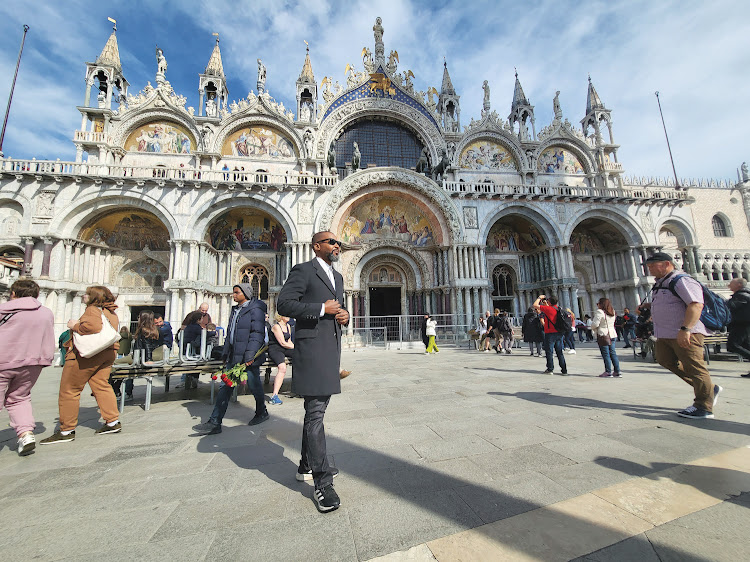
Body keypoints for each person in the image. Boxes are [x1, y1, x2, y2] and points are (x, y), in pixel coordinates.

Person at [277, 231, 349, 513]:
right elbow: (284, 304)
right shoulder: (303, 270)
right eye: (332, 242)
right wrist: (321, 308)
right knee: (316, 411)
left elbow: (337, 310)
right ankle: (322, 483)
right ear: (317, 246)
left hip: (330, 350)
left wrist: (344, 316)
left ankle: (307, 464)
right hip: (311, 350)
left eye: (339, 243)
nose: (337, 246)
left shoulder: (339, 278)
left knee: (316, 410)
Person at [41, 286, 122, 444]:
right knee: (101, 385)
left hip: (88, 354)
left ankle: (66, 430)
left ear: (94, 297)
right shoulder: (111, 312)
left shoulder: (93, 310)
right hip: (108, 353)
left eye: (87, 294)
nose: (84, 296)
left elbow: (92, 327)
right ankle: (112, 422)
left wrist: (74, 325)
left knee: (69, 390)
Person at [646, 252, 720, 419]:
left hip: (685, 333)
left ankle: (704, 407)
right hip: (665, 333)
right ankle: (709, 389)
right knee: (664, 360)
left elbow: (695, 304)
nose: (649, 269)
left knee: (695, 367)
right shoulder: (661, 283)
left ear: (666, 264)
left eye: (652, 266)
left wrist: (686, 329)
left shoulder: (681, 280)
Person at [193, 284, 268, 435]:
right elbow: (230, 332)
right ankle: (215, 421)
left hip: (248, 357)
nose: (233, 295)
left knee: (254, 387)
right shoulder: (236, 310)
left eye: (236, 293)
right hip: (234, 355)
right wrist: (225, 353)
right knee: (225, 387)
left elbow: (257, 333)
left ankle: (262, 411)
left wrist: (250, 355)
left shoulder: (256, 309)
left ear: (245, 294)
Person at [0, 279, 55, 456]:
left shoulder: (3, 310)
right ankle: (26, 434)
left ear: (13, 293)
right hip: (33, 362)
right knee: (20, 398)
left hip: (3, 362)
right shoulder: (46, 313)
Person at [533, 294, 567, 375]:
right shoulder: (558, 309)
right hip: (559, 333)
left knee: (549, 351)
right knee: (559, 352)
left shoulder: (548, 309)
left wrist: (539, 298)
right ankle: (564, 370)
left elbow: (535, 305)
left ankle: (550, 369)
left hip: (550, 333)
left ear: (549, 302)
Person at [726, 277, 750, 376]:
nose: (729, 285)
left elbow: (730, 306)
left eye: (731, 283)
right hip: (743, 324)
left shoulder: (742, 296)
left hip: (741, 324)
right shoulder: (742, 295)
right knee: (746, 346)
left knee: (732, 345)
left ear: (739, 285)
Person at [591, 298, 621, 377]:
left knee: (606, 354)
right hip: (612, 334)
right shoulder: (612, 311)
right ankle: (617, 371)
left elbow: (595, 324)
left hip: (603, 335)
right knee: (613, 353)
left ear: (601, 304)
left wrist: (592, 327)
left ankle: (608, 371)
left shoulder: (600, 312)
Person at [268, 314, 294, 404]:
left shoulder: (288, 326)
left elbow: (289, 341)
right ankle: (274, 396)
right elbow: (282, 343)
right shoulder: (276, 326)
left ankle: (299, 388)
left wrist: (298, 350)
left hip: (285, 348)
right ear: (281, 316)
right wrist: (297, 347)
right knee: (282, 368)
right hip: (275, 349)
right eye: (286, 314)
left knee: (301, 357)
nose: (289, 316)